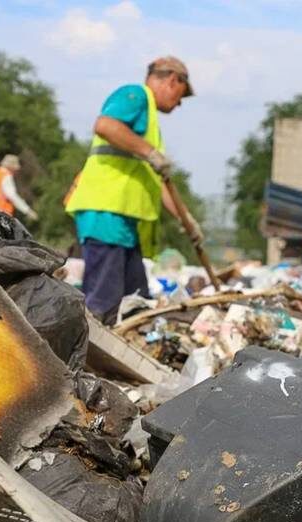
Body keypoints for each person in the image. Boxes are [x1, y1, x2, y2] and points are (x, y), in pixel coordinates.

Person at [66, 56, 202, 324]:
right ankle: (87, 361)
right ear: (174, 80)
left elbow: (159, 185)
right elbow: (105, 126)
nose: (179, 103)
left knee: (136, 303)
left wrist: (188, 221)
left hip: (123, 225)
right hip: (106, 214)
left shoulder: (148, 123)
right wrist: (150, 152)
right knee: (105, 305)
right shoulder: (135, 95)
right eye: (181, 95)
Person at [0, 154, 39, 221]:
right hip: (0, 215)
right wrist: (28, 211)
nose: (16, 171)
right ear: (11, 167)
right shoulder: (6, 176)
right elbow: (12, 196)